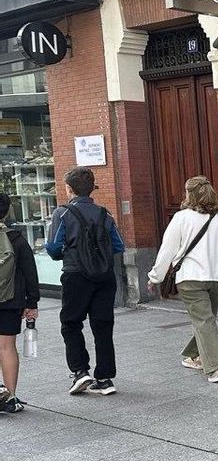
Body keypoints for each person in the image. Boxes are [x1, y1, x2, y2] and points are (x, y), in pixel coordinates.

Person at [147, 176, 218, 383]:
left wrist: (155, 277)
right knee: (206, 319)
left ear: (190, 194)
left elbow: (167, 250)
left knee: (204, 320)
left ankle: (216, 366)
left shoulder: (182, 218)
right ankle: (198, 356)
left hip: (191, 278)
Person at [46, 167, 125, 396]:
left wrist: (68, 253)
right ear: (92, 189)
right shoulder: (105, 214)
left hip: (76, 274)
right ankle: (105, 377)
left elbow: (52, 248)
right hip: (104, 276)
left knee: (71, 323)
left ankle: (80, 371)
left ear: (69, 189)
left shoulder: (62, 213)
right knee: (103, 325)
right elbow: (118, 246)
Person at [0, 194, 39, 412]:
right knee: (6, 347)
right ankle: (10, 397)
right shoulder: (16, 239)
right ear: (6, 212)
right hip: (11, 299)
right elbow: (30, 273)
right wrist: (31, 302)